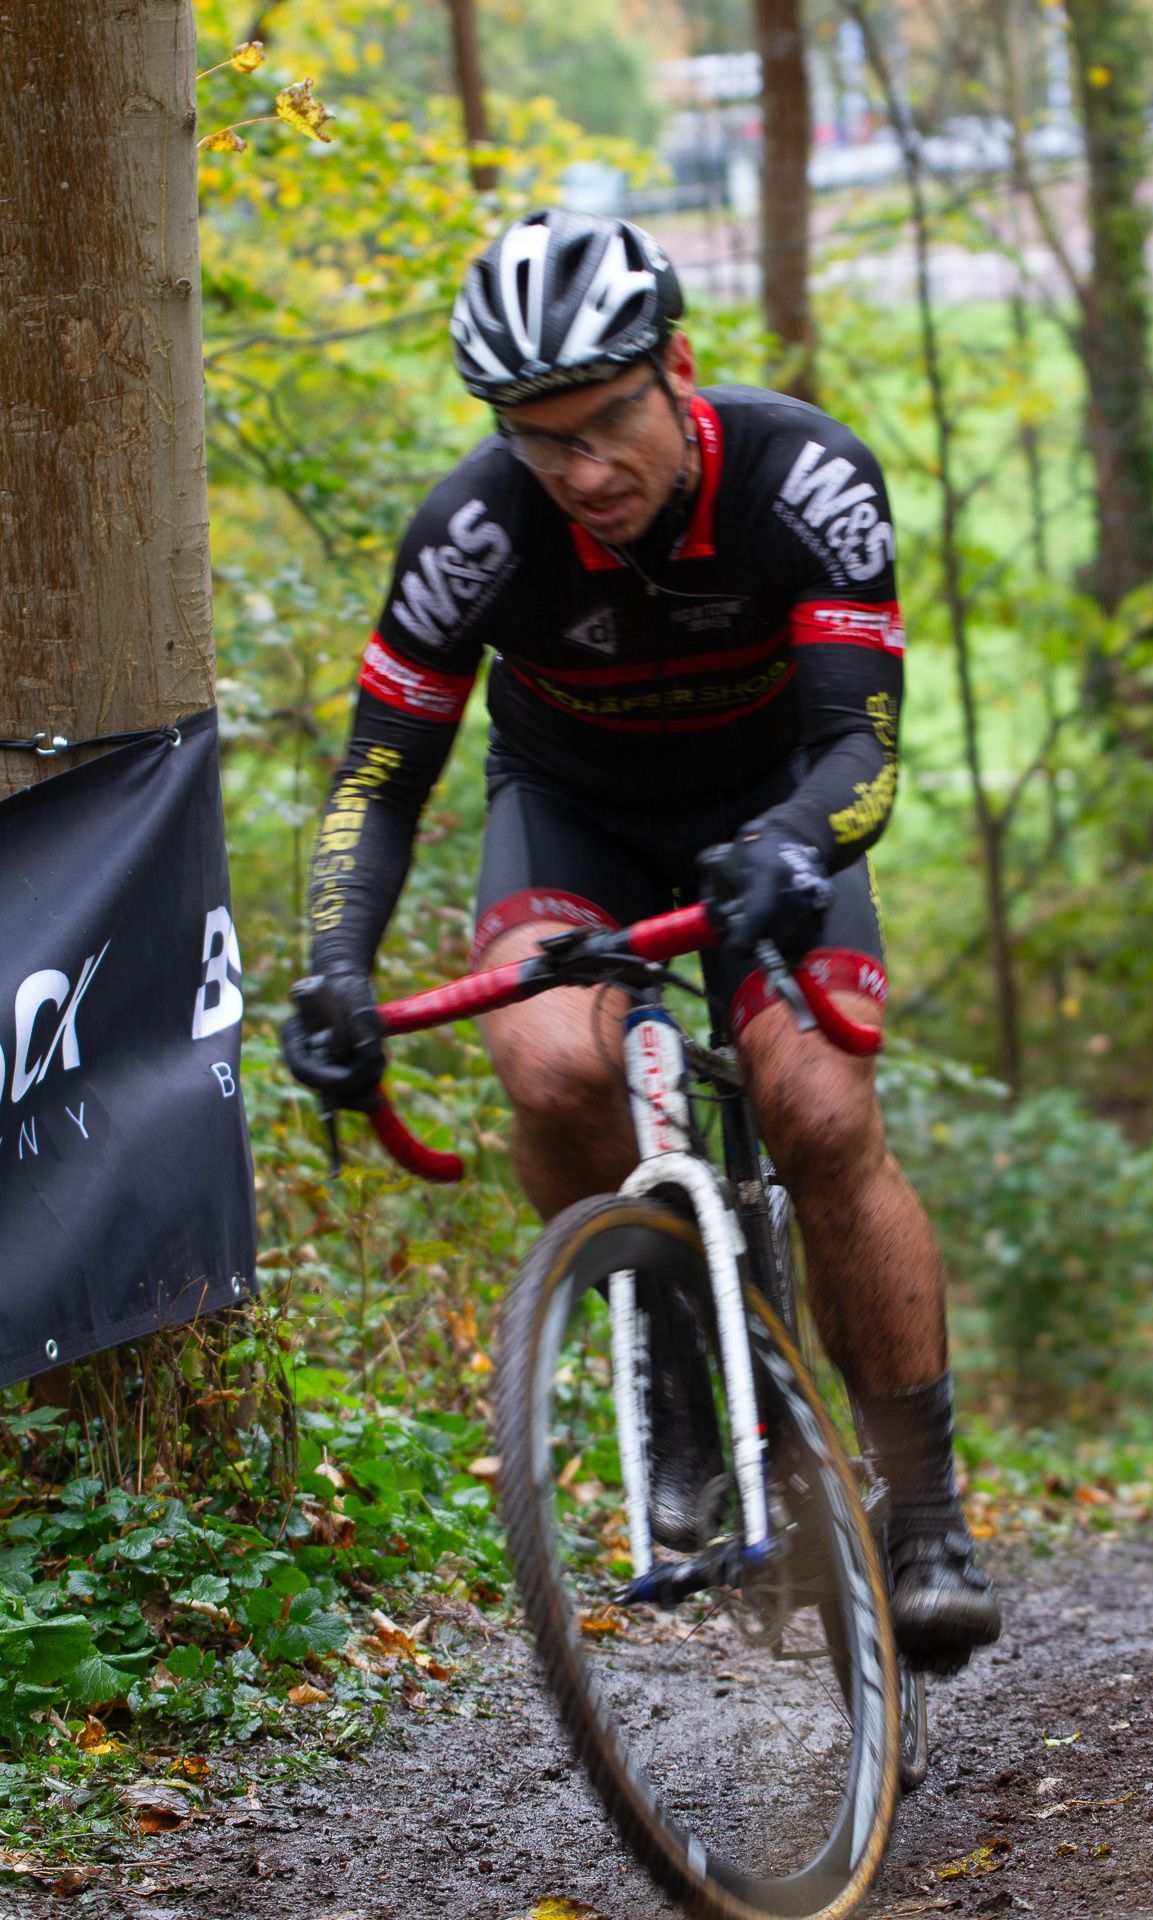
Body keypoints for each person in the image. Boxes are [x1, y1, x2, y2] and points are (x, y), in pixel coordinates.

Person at [285, 208, 1000, 1673]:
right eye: (541, 440)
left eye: (608, 423)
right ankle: (676, 1364)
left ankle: (926, 1513)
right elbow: (379, 778)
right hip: (573, 816)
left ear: (675, 366)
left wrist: (794, 845)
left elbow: (861, 748)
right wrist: (336, 964)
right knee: (551, 1068)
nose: (585, 472)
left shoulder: (804, 479)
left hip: (777, 811)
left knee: (817, 1113)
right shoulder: (477, 532)